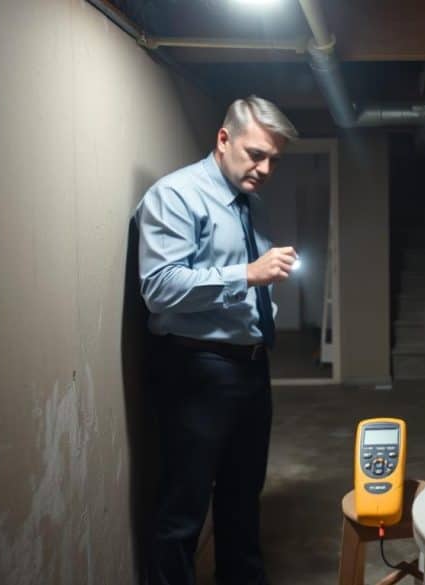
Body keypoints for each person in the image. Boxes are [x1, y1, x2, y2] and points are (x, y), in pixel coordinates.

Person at [135, 95, 299, 585]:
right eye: (255, 154)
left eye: (273, 159)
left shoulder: (252, 204)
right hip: (196, 369)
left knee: (242, 501)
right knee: (183, 511)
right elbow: (159, 288)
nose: (265, 168)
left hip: (250, 368)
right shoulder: (176, 196)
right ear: (223, 139)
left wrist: (261, 302)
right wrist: (247, 275)